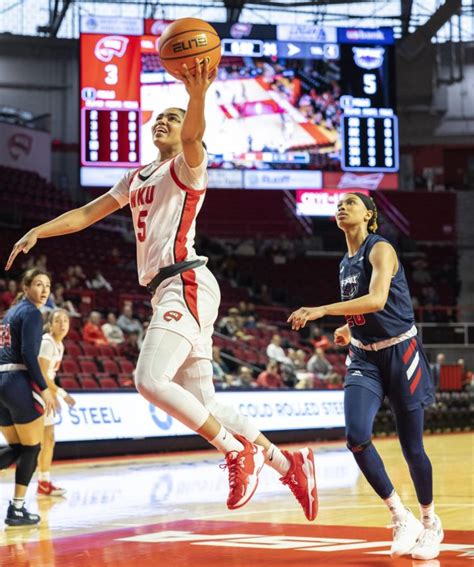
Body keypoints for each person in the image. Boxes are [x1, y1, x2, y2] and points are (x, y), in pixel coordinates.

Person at [6, 59, 317, 521]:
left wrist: (197, 94)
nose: (163, 123)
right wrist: (39, 231)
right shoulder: (136, 177)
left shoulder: (188, 168)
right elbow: (86, 214)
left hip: (185, 281)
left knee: (148, 380)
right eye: (159, 118)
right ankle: (289, 464)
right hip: (168, 289)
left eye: (171, 118)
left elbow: (193, 135)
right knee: (206, 404)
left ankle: (237, 452)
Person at [288, 193, 442, 560]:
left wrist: (321, 310)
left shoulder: (381, 249)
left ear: (369, 216)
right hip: (364, 358)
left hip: (401, 352)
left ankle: (430, 520)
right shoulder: (345, 262)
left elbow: (376, 299)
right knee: (357, 437)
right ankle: (400, 516)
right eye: (339, 204)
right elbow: (367, 310)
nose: (342, 207)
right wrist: (347, 327)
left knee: (412, 448)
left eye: (351, 203)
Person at [0, 269, 55, 526]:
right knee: (32, 448)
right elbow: (28, 355)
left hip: (1, 382)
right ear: (25, 287)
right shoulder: (32, 313)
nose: (44, 290)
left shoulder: (9, 314)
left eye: (47, 285)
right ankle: (17, 509)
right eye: (38, 284)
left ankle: (18, 508)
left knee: (18, 448)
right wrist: (44, 388)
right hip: (17, 383)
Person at [37, 309, 76, 496]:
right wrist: (61, 394)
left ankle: (44, 482)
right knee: (36, 442)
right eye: (58, 321)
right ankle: (42, 482)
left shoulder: (59, 345)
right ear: (50, 324)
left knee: (48, 440)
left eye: (65, 321)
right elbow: (42, 373)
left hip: (44, 393)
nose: (62, 324)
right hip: (36, 393)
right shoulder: (47, 343)